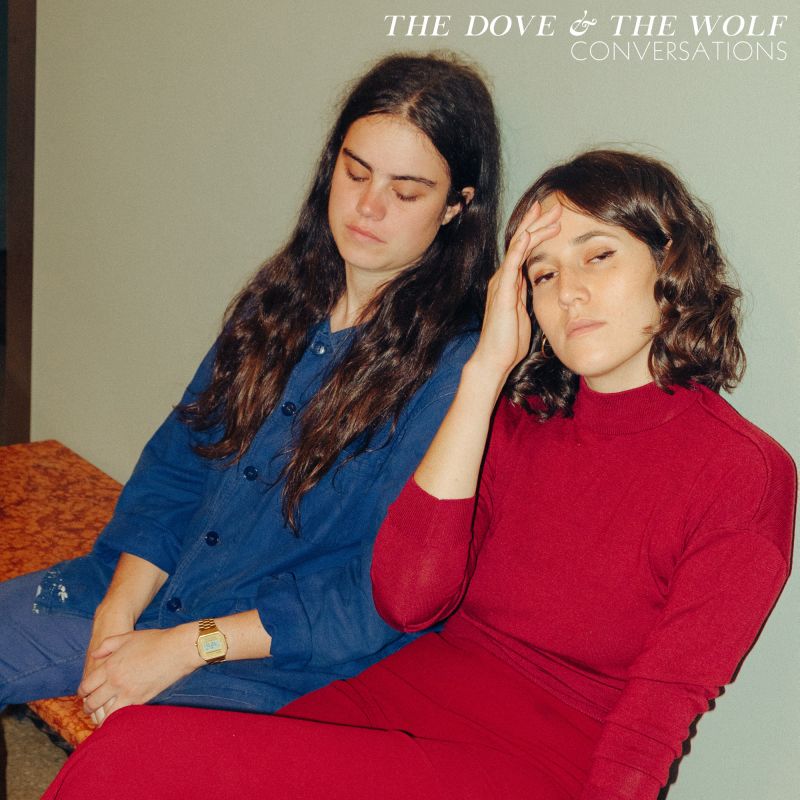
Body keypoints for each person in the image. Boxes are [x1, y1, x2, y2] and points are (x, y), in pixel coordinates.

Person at [41, 150, 795, 800]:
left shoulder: (744, 475)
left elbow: (661, 711)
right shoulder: (515, 423)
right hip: (392, 704)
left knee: (140, 757)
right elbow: (408, 598)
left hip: (538, 762)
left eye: (598, 256)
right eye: (541, 273)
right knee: (147, 755)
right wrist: (485, 372)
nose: (568, 291)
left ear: (669, 264)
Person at [0, 52, 502, 723]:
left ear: (456, 207)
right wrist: (115, 618)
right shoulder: (283, 297)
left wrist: (187, 645)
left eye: (406, 192)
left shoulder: (454, 374)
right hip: (156, 590)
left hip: (271, 659)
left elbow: (375, 597)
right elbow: (177, 470)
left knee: (128, 761)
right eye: (356, 172)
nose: (368, 206)